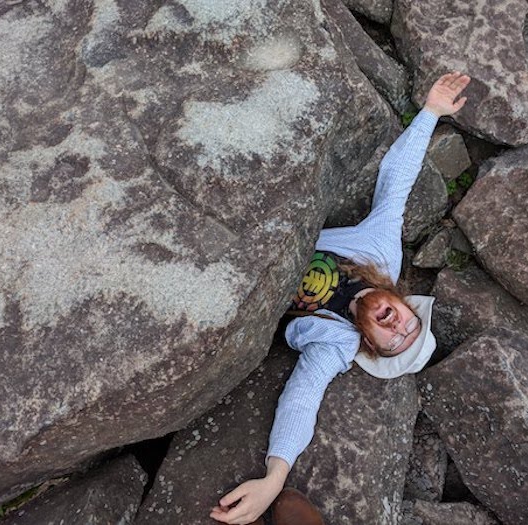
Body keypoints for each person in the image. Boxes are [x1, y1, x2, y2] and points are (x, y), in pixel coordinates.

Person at [211, 72, 471, 525]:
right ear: (407, 303)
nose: (397, 327)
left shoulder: (335, 345)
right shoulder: (382, 253)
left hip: (233, 278)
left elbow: (302, 398)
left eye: (393, 341)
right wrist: (430, 113)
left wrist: (274, 479)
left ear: (371, 345)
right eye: (410, 323)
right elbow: (396, 183)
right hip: (264, 226)